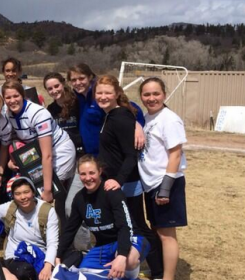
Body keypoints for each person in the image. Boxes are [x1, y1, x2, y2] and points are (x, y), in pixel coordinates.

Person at [95, 75, 163, 279]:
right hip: (115, 182)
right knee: (127, 226)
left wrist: (119, 180)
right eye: (99, 93)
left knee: (139, 227)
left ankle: (158, 271)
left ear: (117, 94)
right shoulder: (110, 115)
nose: (103, 96)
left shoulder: (121, 117)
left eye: (108, 92)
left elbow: (130, 155)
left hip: (127, 184)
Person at [56, 155, 149, 280]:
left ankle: (132, 277)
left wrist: (121, 255)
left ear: (100, 171)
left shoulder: (112, 192)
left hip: (131, 238)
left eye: (91, 173)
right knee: (85, 274)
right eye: (83, 174)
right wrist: (58, 254)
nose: (88, 178)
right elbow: (70, 230)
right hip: (103, 246)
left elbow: (125, 226)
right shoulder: (79, 199)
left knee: (129, 260)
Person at [138, 77, 188, 280]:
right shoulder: (148, 118)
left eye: (156, 93)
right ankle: (160, 271)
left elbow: (175, 154)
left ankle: (168, 277)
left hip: (165, 183)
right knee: (157, 229)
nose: (151, 98)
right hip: (151, 184)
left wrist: (165, 188)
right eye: (147, 94)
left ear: (164, 95)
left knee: (167, 235)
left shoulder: (169, 119)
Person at [2, 80, 76, 205]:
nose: (12, 100)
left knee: (50, 194)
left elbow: (47, 155)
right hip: (36, 153)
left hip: (59, 151)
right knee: (31, 193)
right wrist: (12, 160)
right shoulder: (8, 112)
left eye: (16, 96)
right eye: (8, 97)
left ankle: (61, 221)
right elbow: (17, 140)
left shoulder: (38, 114)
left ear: (23, 95)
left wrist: (47, 189)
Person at [67, 63, 145, 156]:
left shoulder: (100, 96)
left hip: (107, 153)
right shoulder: (77, 97)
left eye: (81, 78)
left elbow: (130, 108)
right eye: (74, 80)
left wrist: (138, 126)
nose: (78, 83)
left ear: (90, 77)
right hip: (89, 153)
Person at [0, 177, 58, 280]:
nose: (23, 197)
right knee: (25, 272)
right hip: (15, 256)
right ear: (13, 196)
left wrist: (48, 266)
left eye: (26, 192)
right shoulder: (10, 208)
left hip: (40, 255)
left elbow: (52, 242)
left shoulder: (47, 211)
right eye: (17, 194)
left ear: (33, 192)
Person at [43, 72, 83, 158]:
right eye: (50, 89)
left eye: (57, 86)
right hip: (62, 152)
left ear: (63, 83)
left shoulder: (77, 102)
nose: (54, 91)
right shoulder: (50, 109)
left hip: (81, 151)